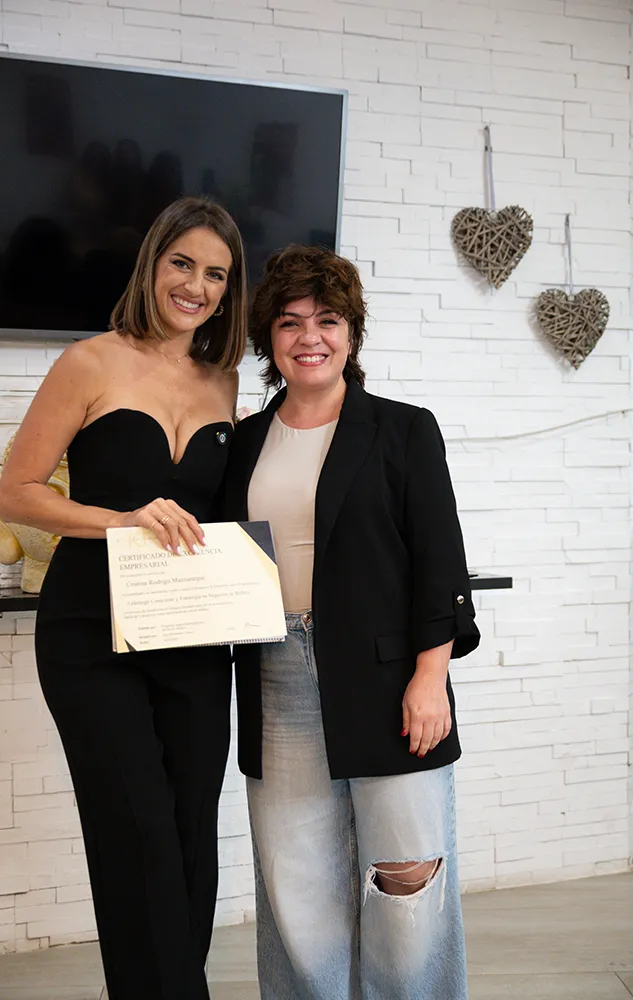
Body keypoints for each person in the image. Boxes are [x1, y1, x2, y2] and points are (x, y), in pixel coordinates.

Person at [0, 197, 248, 1000]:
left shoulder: (224, 380)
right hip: (89, 632)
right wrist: (122, 520)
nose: (196, 286)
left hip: (194, 630)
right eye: (183, 264)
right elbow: (17, 493)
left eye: (216, 274)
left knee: (189, 834)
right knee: (134, 828)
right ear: (152, 264)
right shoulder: (88, 363)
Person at [222, 245, 480, 1000]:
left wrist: (430, 677)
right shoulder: (243, 441)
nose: (310, 336)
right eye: (290, 322)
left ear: (351, 332)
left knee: (407, 877)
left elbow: (440, 559)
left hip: (390, 678)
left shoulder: (403, 429)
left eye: (327, 320)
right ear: (269, 339)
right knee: (299, 888)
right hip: (276, 675)